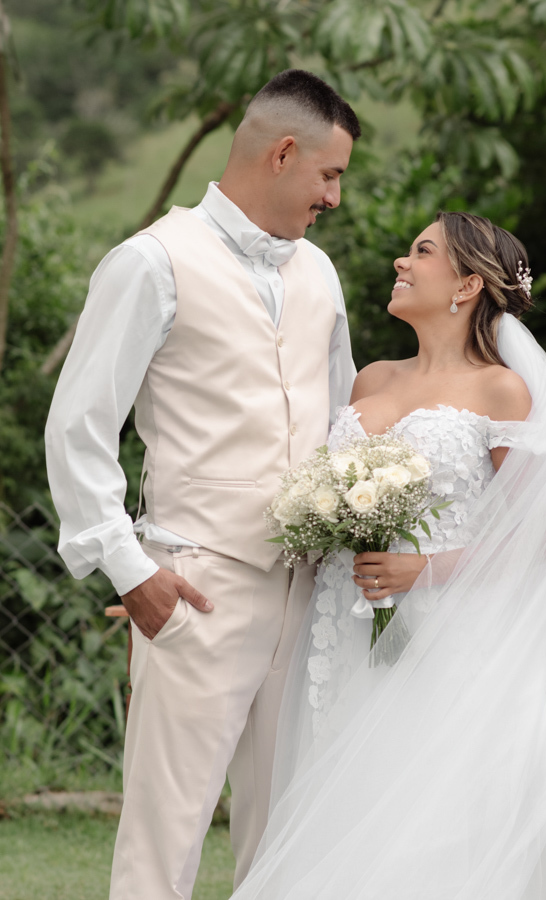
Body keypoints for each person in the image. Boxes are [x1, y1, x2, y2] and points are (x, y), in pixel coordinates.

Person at [44, 69, 361, 900]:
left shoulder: (319, 274)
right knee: (165, 832)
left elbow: (338, 421)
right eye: (330, 175)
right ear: (283, 153)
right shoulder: (151, 262)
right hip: (195, 585)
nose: (333, 196)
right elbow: (78, 426)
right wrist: (131, 570)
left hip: (305, 591)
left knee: (287, 828)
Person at [230, 212, 546, 899]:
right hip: (347, 621)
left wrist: (421, 569)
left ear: (465, 285)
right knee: (350, 790)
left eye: (420, 252)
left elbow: (537, 535)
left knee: (431, 802)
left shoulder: (502, 391)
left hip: (449, 634)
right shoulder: (371, 380)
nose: (401, 263)